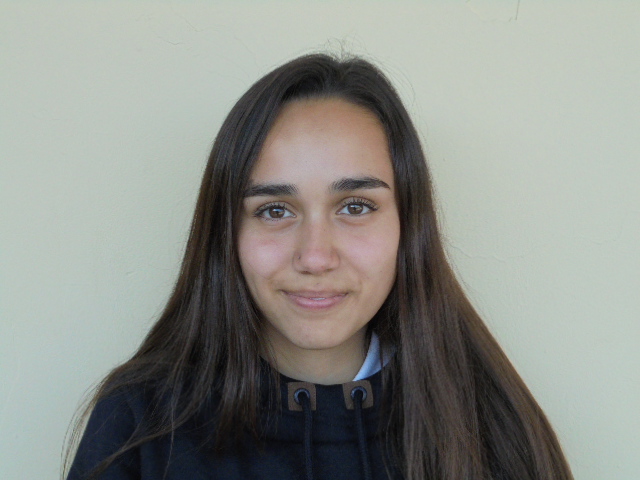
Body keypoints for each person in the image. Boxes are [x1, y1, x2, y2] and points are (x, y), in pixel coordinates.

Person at [64, 53, 573, 480]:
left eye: (355, 206)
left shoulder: (494, 426)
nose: (314, 257)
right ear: (226, 234)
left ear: (408, 224)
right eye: (274, 211)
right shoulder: (139, 425)